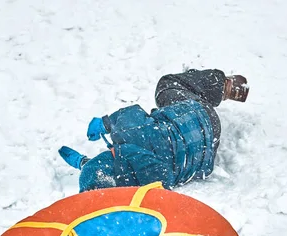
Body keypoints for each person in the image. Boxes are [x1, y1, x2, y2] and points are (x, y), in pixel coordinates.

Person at [58, 69, 249, 192]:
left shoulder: (138, 188)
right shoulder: (129, 135)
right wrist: (106, 123)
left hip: (204, 155)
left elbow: (109, 178)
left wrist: (85, 163)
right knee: (167, 86)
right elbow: (130, 115)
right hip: (198, 117)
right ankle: (224, 85)